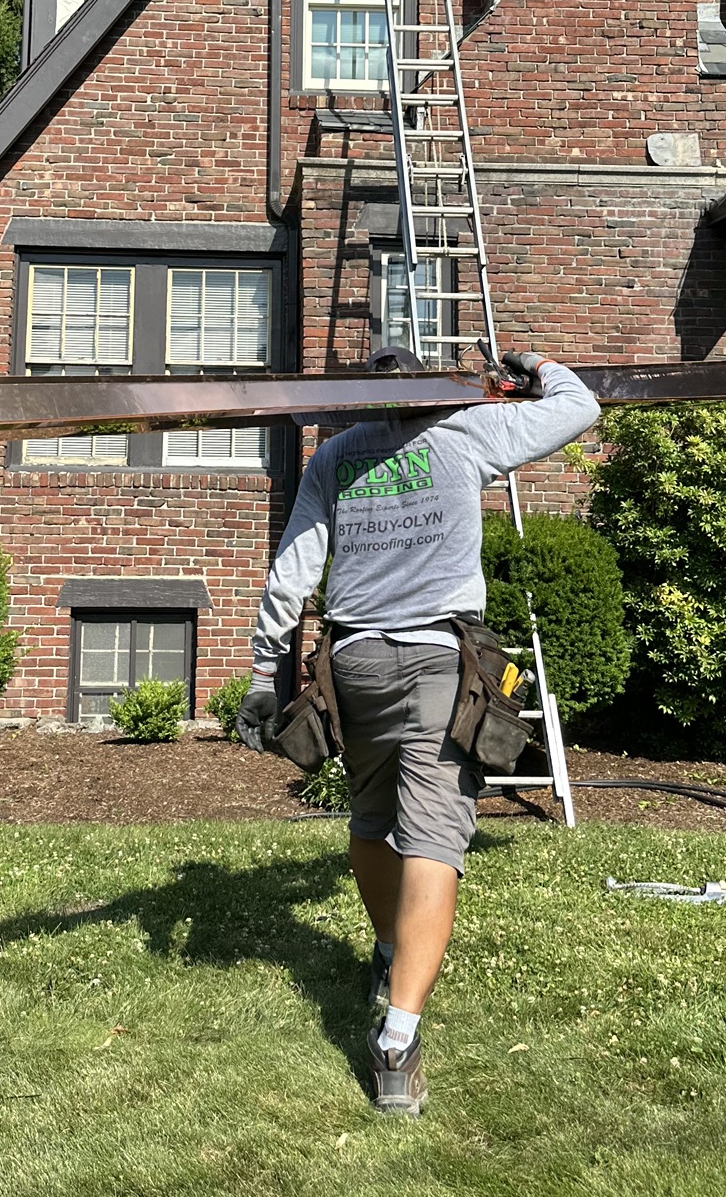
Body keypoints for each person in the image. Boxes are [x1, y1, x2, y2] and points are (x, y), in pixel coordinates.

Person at [237, 345, 601, 1115]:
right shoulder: (469, 432)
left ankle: (387, 952)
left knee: (371, 816)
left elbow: (293, 570)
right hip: (439, 660)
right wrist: (536, 365)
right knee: (434, 833)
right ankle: (396, 1042)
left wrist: (267, 672)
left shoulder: (334, 456)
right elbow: (579, 407)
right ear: (439, 392)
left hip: (356, 663)